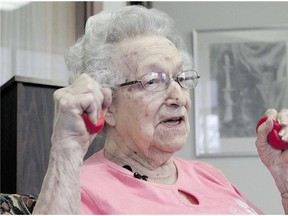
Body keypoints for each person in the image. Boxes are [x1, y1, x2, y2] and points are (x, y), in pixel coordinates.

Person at [33, 5, 288, 214]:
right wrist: (65, 151)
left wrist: (284, 181)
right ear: (107, 107)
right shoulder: (82, 189)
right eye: (153, 81)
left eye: (181, 78)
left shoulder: (208, 175)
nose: (178, 96)